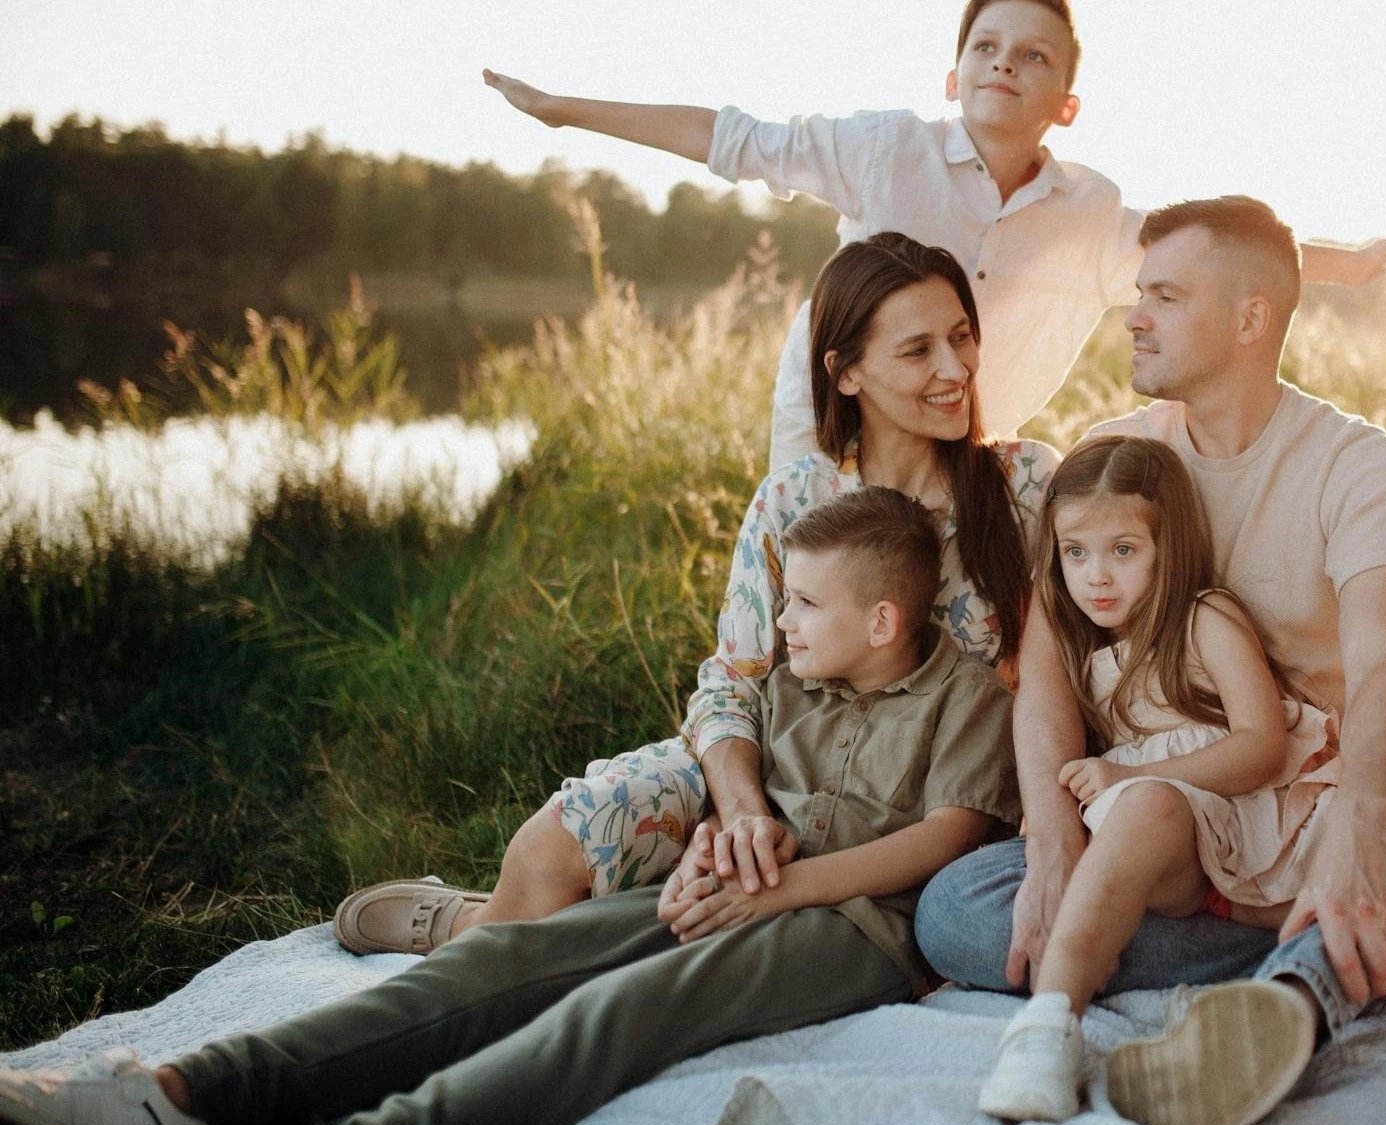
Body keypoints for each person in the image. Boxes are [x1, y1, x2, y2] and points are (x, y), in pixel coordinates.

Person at [0, 486, 1024, 1125]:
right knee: (505, 959)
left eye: (802, 602)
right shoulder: (795, 685)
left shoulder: (968, 695)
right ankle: (186, 1089)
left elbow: (943, 839)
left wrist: (783, 888)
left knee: (613, 1011)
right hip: (734, 891)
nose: (782, 621)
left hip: (854, 930)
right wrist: (723, 839)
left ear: (882, 619)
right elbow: (742, 783)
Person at [914, 195, 1386, 1125]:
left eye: (1165, 296)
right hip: (1174, 820)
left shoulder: (1359, 465)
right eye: (1139, 292)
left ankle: (1299, 996)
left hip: (1319, 796)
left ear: (1251, 318)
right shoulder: (1113, 459)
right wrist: (1051, 839)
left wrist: (1369, 824)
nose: (1133, 315)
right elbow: (1047, 673)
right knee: (956, 912)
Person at [330, 231, 1057, 955]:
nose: (955, 367)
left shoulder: (1026, 488)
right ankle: (473, 925)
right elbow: (732, 684)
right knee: (563, 843)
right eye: (917, 349)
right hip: (777, 766)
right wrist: (741, 813)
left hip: (928, 792)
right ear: (845, 374)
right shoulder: (793, 499)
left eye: (962, 337)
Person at [482, 0, 1386, 469]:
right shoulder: (884, 149)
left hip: (968, 449)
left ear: (1067, 103)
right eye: (987, 48)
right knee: (818, 604)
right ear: (955, 78)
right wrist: (562, 111)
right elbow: (728, 138)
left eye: (1033, 55)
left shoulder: (1089, 211)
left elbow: (1209, 256)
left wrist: (1347, 267)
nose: (1006, 61)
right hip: (833, 426)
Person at [975, 435, 1344, 1123]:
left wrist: (1131, 772)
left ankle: (1050, 1020)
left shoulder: (1205, 618)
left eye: (1123, 550)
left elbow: (1261, 745)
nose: (1097, 577)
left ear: (1167, 547)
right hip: (1183, 861)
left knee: (1147, 805)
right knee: (965, 901)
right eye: (1075, 553)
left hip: (1257, 817)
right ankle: (1046, 1029)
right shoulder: (1085, 650)